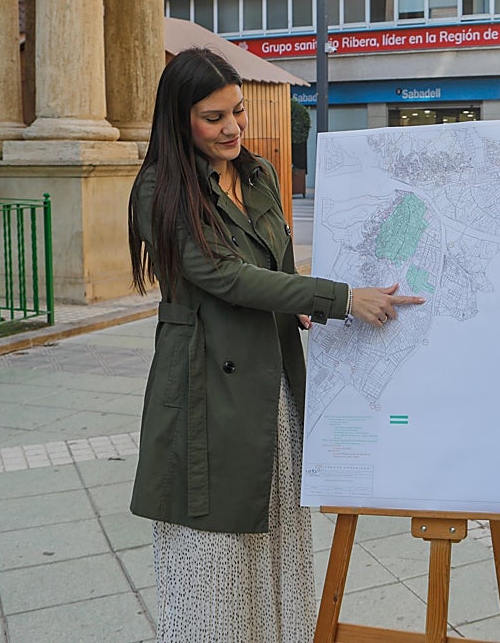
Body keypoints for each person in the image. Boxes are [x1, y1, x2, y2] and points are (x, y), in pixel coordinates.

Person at [127, 47, 424, 642]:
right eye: (214, 117)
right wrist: (338, 298)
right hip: (205, 393)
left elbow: (276, 266)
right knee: (213, 562)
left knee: (278, 548)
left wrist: (305, 312)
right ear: (178, 118)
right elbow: (224, 276)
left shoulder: (258, 173)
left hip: (274, 384)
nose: (233, 127)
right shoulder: (159, 188)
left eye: (237, 111)